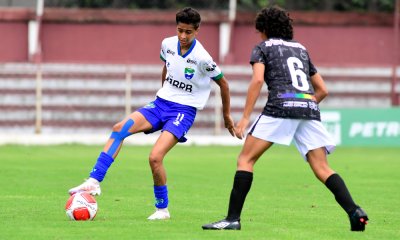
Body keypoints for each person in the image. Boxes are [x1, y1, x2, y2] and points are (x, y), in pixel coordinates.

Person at [202, 6, 368, 231]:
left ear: (263, 29)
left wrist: (245, 117)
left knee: (246, 160)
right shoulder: (301, 49)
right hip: (308, 108)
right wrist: (302, 106)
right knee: (322, 168)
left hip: (280, 107)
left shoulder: (262, 47)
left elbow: (258, 81)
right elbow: (322, 90)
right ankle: (355, 212)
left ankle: (232, 219)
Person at [69, 7, 235, 220]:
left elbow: (224, 84)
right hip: (161, 103)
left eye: (188, 32)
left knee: (155, 158)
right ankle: (93, 182)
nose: (183, 36)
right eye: (180, 30)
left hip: (183, 111)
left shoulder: (202, 57)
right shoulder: (167, 44)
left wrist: (226, 116)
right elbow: (166, 67)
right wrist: (164, 92)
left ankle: (162, 210)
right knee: (119, 128)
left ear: (197, 31)